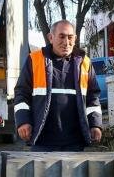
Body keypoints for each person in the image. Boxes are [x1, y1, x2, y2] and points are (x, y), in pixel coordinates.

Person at [14, 20, 102, 152]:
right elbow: (22, 94)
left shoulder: (85, 63)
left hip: (75, 143)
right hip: (42, 141)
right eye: (61, 36)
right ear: (50, 37)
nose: (66, 42)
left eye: (70, 37)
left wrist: (95, 124)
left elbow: (92, 98)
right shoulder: (35, 60)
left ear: (75, 39)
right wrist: (23, 121)